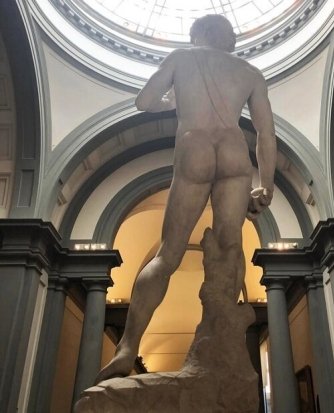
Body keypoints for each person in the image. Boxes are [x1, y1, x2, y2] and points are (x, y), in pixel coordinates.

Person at [95, 14, 276, 383]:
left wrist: (172, 102)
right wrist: (267, 185)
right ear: (226, 39)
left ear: (198, 35)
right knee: (229, 248)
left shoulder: (181, 58)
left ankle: (128, 348)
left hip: (195, 148)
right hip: (234, 152)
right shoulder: (250, 72)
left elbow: (144, 101)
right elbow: (265, 133)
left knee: (168, 255)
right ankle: (224, 336)